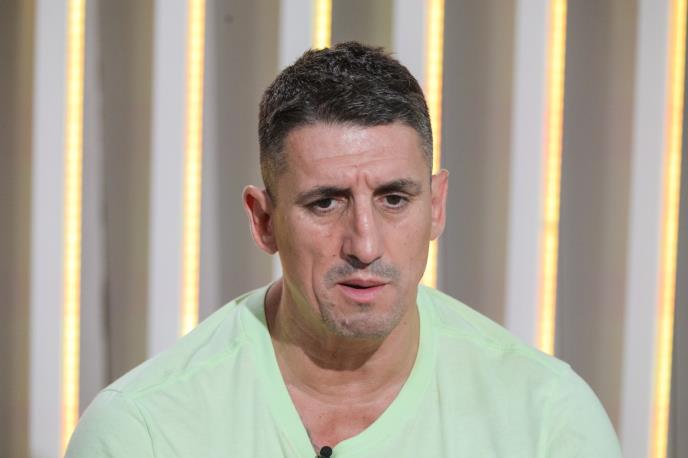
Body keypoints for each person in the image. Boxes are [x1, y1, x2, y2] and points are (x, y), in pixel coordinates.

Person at [67, 42, 621, 457]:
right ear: (264, 220)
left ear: (436, 206)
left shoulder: (549, 421)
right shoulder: (142, 430)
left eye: (394, 199)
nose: (365, 244)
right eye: (326, 203)